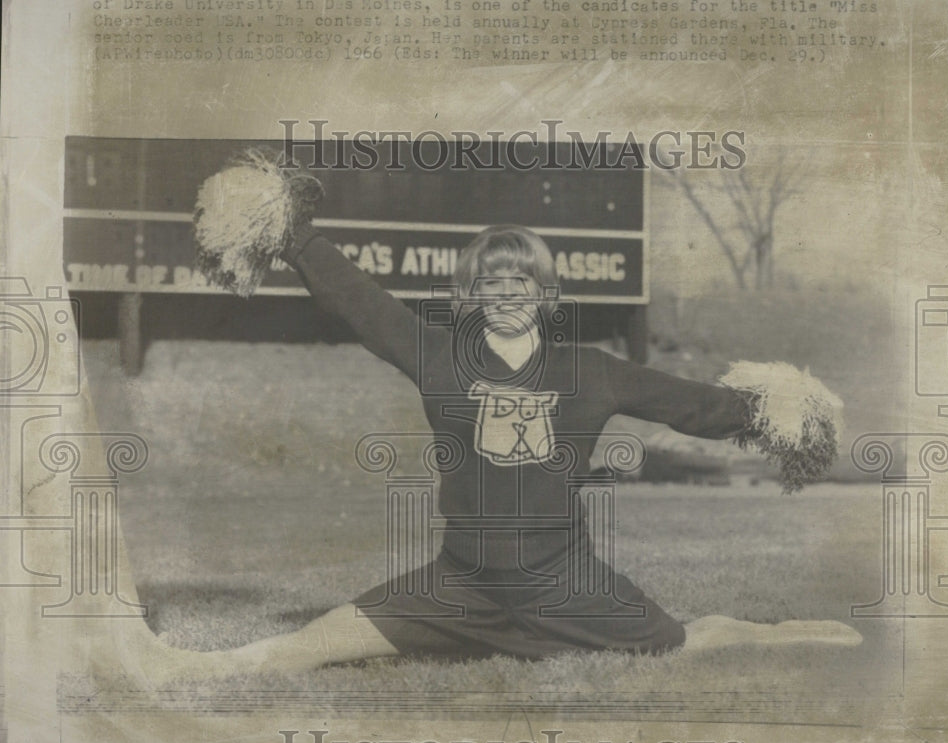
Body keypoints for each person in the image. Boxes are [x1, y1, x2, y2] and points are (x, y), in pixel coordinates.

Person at [133, 222, 860, 683]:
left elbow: (695, 405)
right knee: (305, 647)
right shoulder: (436, 354)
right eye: (492, 281)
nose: (507, 291)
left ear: (546, 295)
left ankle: (786, 632)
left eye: (522, 281)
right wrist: (289, 233)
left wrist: (777, 409)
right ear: (468, 294)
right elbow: (359, 301)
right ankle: (188, 667)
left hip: (565, 582)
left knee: (687, 644)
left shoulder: (592, 368)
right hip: (461, 583)